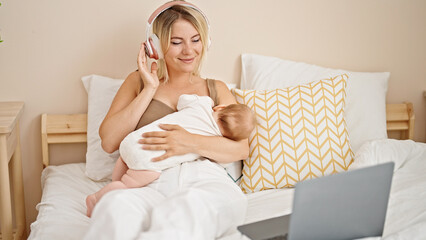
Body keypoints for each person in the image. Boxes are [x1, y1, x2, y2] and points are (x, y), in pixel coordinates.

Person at [83, 1, 251, 239]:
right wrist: (149, 89)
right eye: (176, 42)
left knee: (189, 209)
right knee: (115, 207)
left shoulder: (216, 89)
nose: (189, 51)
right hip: (148, 183)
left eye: (196, 40)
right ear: (157, 46)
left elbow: (241, 148)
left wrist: (189, 142)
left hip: (205, 180)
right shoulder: (137, 82)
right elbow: (109, 141)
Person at [85, 94, 255, 217]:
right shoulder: (216, 139)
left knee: (125, 161)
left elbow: (183, 100)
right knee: (126, 184)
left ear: (220, 108)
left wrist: (191, 137)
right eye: (176, 41)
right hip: (147, 162)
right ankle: (98, 198)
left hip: (132, 141)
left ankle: (113, 188)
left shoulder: (202, 104)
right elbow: (225, 158)